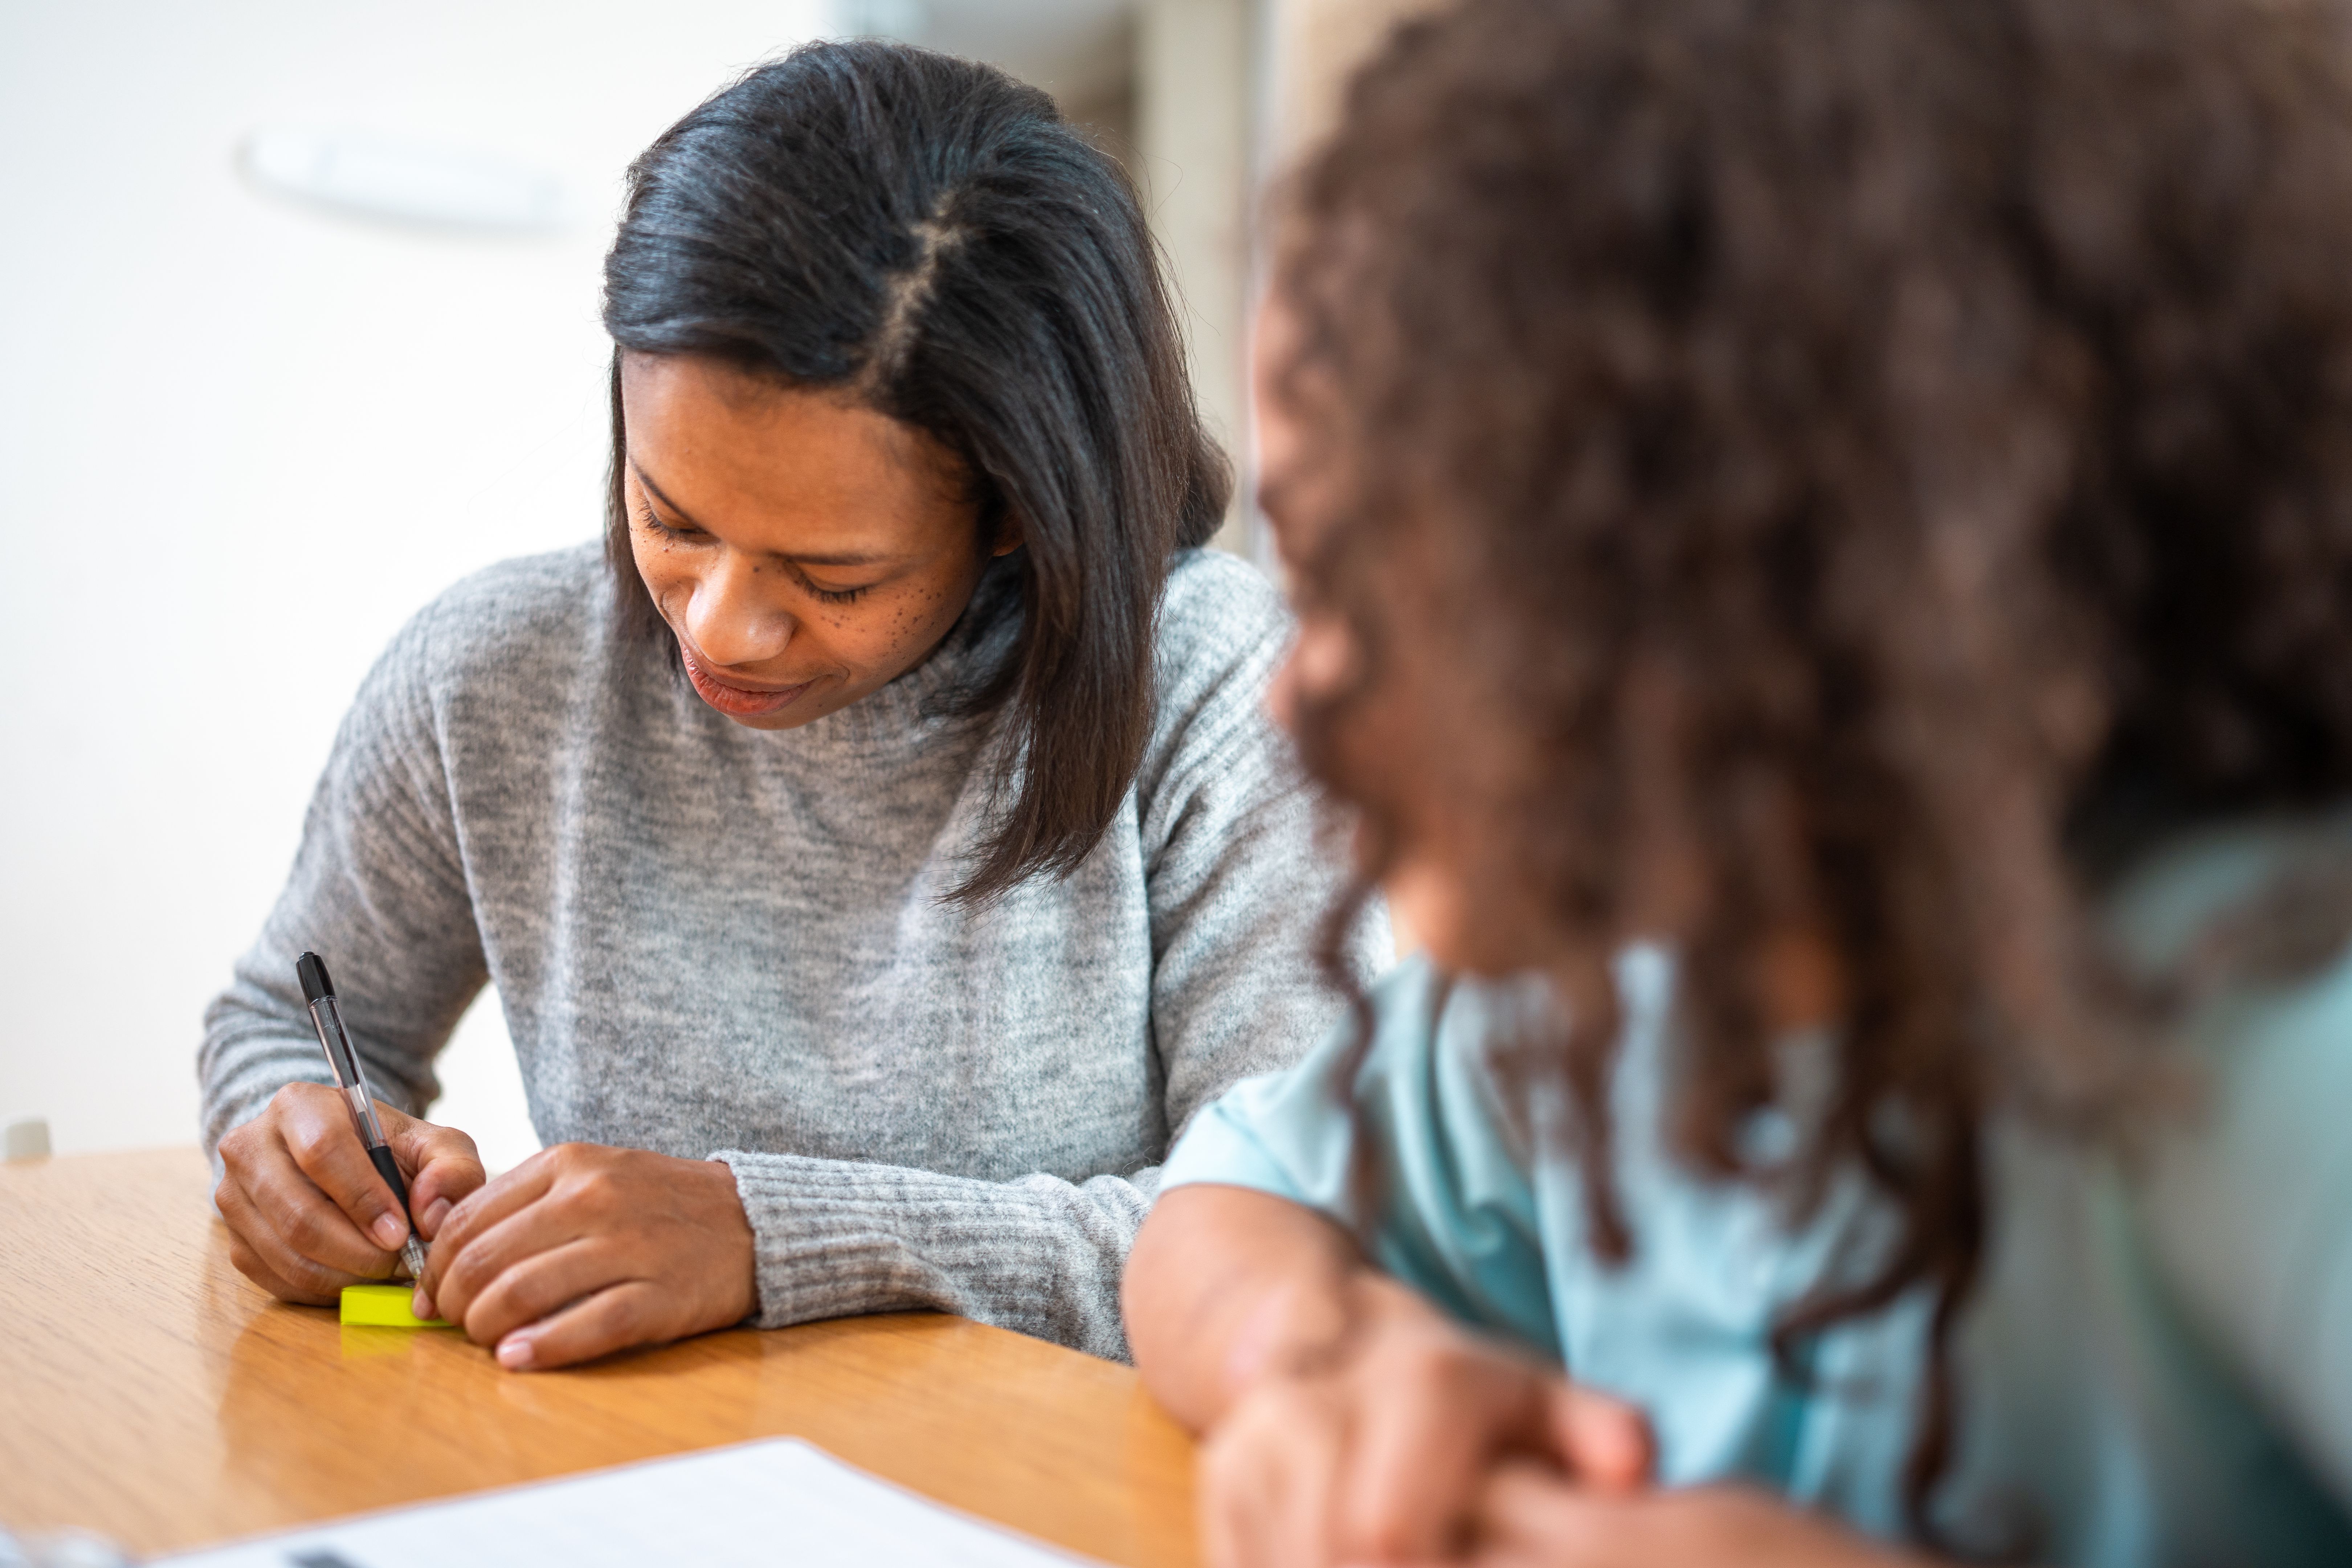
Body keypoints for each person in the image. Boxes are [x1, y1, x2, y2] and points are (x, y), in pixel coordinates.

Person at [1122, 0, 2352, 1562]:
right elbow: (1223, 1210)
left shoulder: (2255, 1015)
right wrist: (1327, 1368)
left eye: (1371, 590)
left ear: (1752, 581)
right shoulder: (1613, 979)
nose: (1293, 699)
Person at [201, 40, 1384, 1372]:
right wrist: (300, 1149)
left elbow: (1294, 1241)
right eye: (672, 517)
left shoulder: (1226, 694)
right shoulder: (495, 674)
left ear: (1015, 513)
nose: (715, 626)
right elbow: (275, 1024)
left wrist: (773, 1238)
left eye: (831, 575)